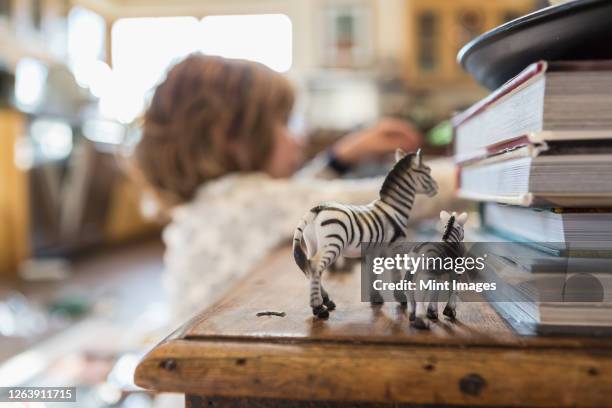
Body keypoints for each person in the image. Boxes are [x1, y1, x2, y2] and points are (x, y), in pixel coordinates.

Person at [131, 53, 458, 322]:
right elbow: (382, 205)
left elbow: (293, 198)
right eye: (284, 123)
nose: (297, 138)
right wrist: (471, 170)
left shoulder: (223, 199)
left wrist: (339, 158)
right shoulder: (253, 201)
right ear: (232, 138)